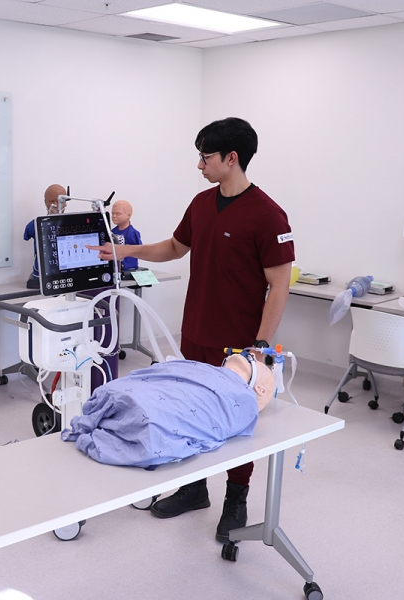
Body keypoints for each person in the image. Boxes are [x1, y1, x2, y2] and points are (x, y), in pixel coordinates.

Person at [89, 117, 294, 543]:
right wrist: (127, 250)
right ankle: (194, 486)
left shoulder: (268, 214)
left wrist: (258, 346)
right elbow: (176, 247)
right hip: (196, 329)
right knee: (190, 411)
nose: (199, 164)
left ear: (231, 158)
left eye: (205, 156)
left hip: (238, 342)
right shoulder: (201, 203)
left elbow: (279, 285)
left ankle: (236, 497)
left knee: (237, 418)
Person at [63, 354, 275, 468]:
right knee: (154, 415)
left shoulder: (238, 393)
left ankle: (105, 421)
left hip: (116, 394)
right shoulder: (232, 388)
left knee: (151, 409)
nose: (253, 357)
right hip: (144, 415)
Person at [24, 184, 66, 289]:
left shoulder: (72, 224)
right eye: (52, 201)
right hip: (40, 273)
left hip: (64, 271)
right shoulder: (33, 225)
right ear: (45, 202)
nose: (56, 205)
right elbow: (26, 236)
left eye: (60, 201)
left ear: (66, 202)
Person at [110, 200, 142, 271]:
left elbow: (140, 250)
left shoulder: (133, 233)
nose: (114, 216)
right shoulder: (112, 232)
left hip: (129, 268)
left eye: (118, 214)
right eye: (113, 213)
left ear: (128, 215)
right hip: (116, 268)